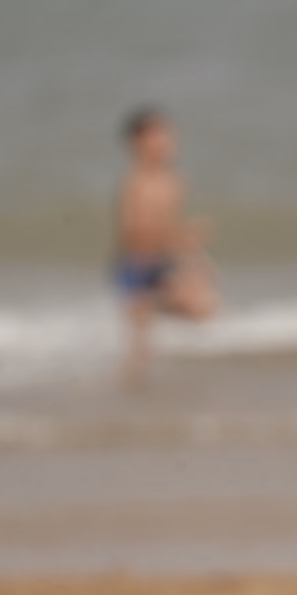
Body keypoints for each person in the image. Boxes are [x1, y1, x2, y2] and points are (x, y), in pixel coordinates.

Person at [113, 106, 219, 389]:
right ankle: (130, 396)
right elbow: (134, 233)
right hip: (136, 266)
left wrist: (195, 256)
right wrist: (183, 235)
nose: (166, 143)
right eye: (157, 137)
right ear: (135, 144)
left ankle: (153, 304)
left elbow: (171, 227)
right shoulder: (135, 182)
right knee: (140, 350)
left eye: (168, 136)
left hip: (164, 261)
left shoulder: (175, 181)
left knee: (207, 309)